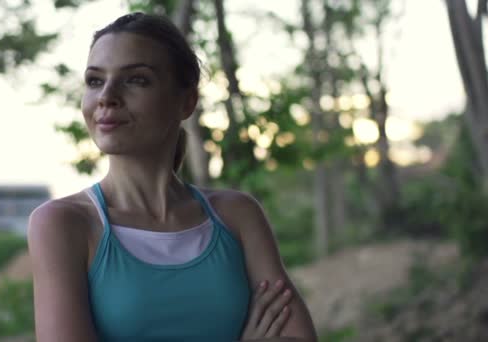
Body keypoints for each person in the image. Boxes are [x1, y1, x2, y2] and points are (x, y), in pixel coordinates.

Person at [28, 12, 317, 342]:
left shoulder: (236, 215)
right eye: (95, 80)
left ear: (186, 101)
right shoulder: (63, 224)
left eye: (136, 79)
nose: (106, 96)